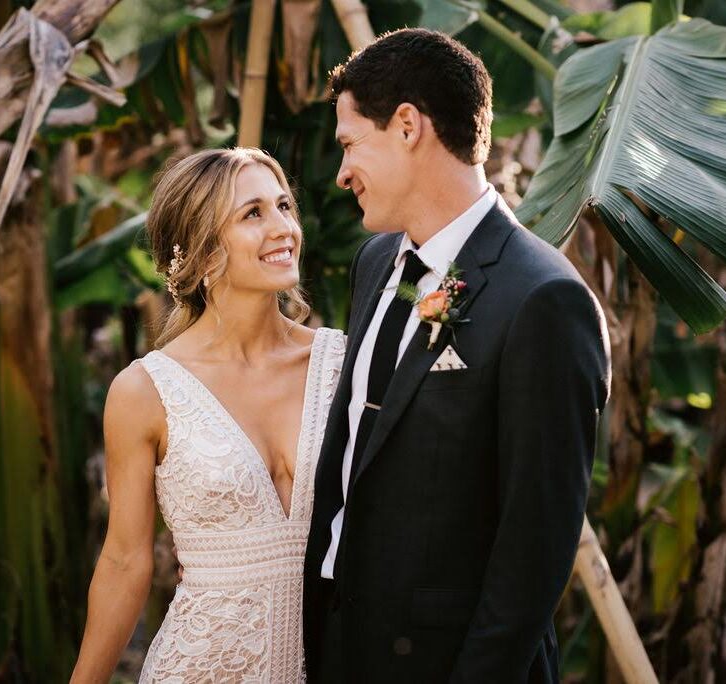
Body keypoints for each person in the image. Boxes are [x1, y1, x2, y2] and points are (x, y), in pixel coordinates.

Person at [302, 28, 611, 683]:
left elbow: (535, 548)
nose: (341, 172)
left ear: (408, 126)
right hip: (339, 646)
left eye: (351, 143)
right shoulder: (378, 263)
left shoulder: (543, 300)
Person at [69, 147, 345, 683]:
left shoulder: (343, 364)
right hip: (200, 666)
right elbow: (126, 562)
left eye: (284, 206)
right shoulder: (144, 391)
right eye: (253, 214)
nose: (283, 227)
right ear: (201, 252)